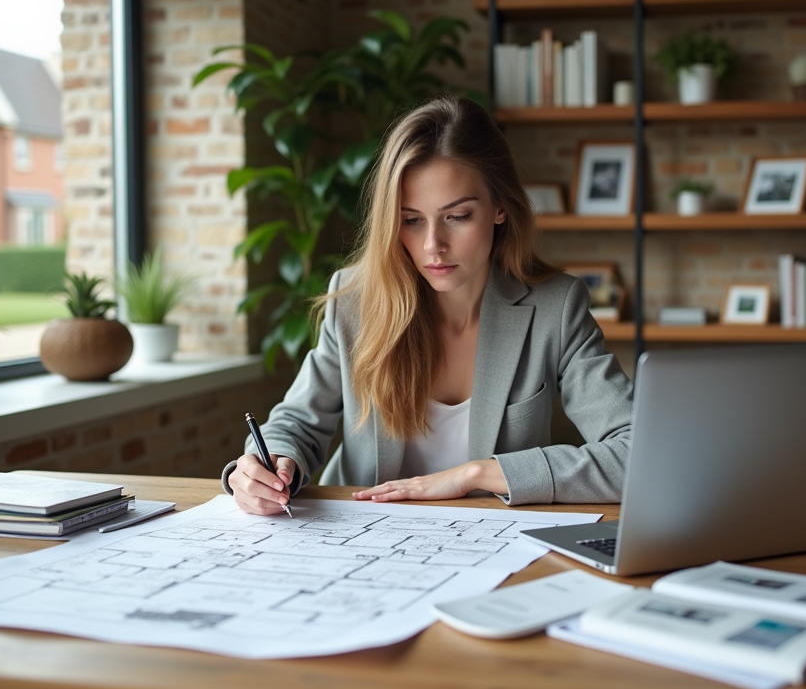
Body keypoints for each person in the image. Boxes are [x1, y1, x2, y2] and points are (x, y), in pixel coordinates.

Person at [222, 96, 633, 514]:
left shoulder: (555, 308)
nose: (433, 246)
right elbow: (297, 423)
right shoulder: (355, 301)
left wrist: (476, 474)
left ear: (500, 208)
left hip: (492, 543)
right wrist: (269, 463)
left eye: (457, 217)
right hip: (360, 537)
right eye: (412, 220)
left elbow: (638, 453)